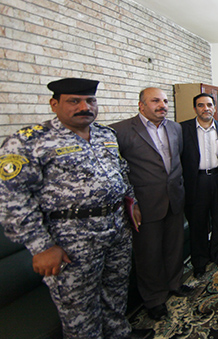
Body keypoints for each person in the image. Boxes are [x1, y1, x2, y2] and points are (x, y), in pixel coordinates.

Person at [0, 78, 153, 339]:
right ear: (54, 104)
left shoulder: (105, 134)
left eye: (90, 100)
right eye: (74, 101)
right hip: (71, 239)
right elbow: (11, 198)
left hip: (116, 229)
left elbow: (121, 171)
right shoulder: (29, 141)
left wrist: (132, 201)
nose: (84, 107)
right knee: (79, 309)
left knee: (116, 291)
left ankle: (119, 334)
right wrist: (41, 247)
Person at [112, 87, 192, 321]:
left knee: (174, 246)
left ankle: (174, 283)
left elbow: (178, 161)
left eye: (165, 101)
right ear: (141, 105)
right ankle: (154, 299)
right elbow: (116, 171)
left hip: (174, 198)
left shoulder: (175, 128)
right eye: (155, 101)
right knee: (149, 253)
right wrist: (131, 202)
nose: (162, 105)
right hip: (144, 204)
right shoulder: (120, 131)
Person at [181, 93, 218, 278]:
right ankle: (199, 261)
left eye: (209, 105)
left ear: (214, 108)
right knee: (198, 223)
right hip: (196, 181)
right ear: (195, 108)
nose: (205, 108)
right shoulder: (183, 129)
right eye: (201, 105)